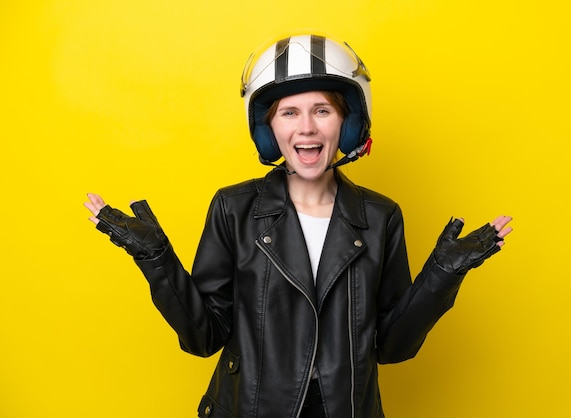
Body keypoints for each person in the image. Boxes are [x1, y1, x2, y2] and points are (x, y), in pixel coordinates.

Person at [84, 34, 513, 418]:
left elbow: (392, 348)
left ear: (348, 125)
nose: (306, 127)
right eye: (288, 112)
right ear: (268, 129)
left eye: (322, 110)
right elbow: (203, 338)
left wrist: (441, 277)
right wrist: (156, 260)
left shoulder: (382, 216)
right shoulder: (233, 208)